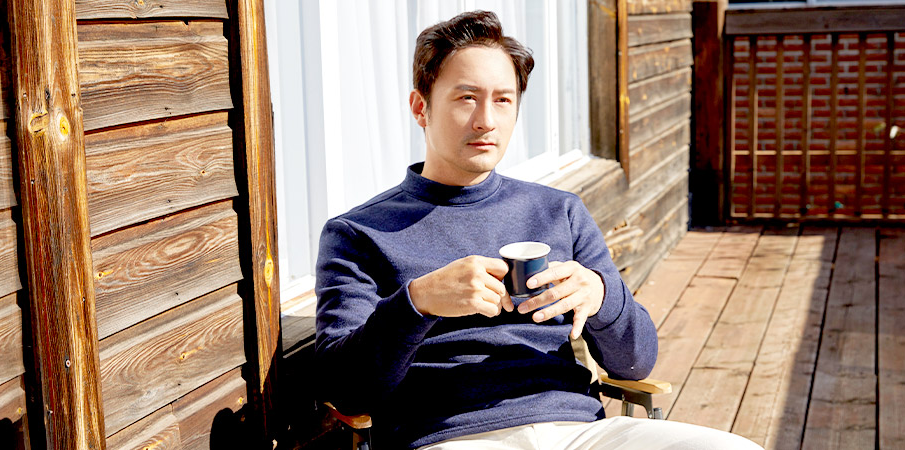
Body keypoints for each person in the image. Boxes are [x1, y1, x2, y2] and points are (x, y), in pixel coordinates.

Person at [313, 10, 762, 450]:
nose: (486, 120)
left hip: (578, 431)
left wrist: (602, 297)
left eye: (503, 100)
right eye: (466, 97)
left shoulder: (559, 212)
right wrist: (418, 302)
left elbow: (637, 361)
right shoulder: (359, 234)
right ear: (420, 108)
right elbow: (346, 391)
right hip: (451, 435)